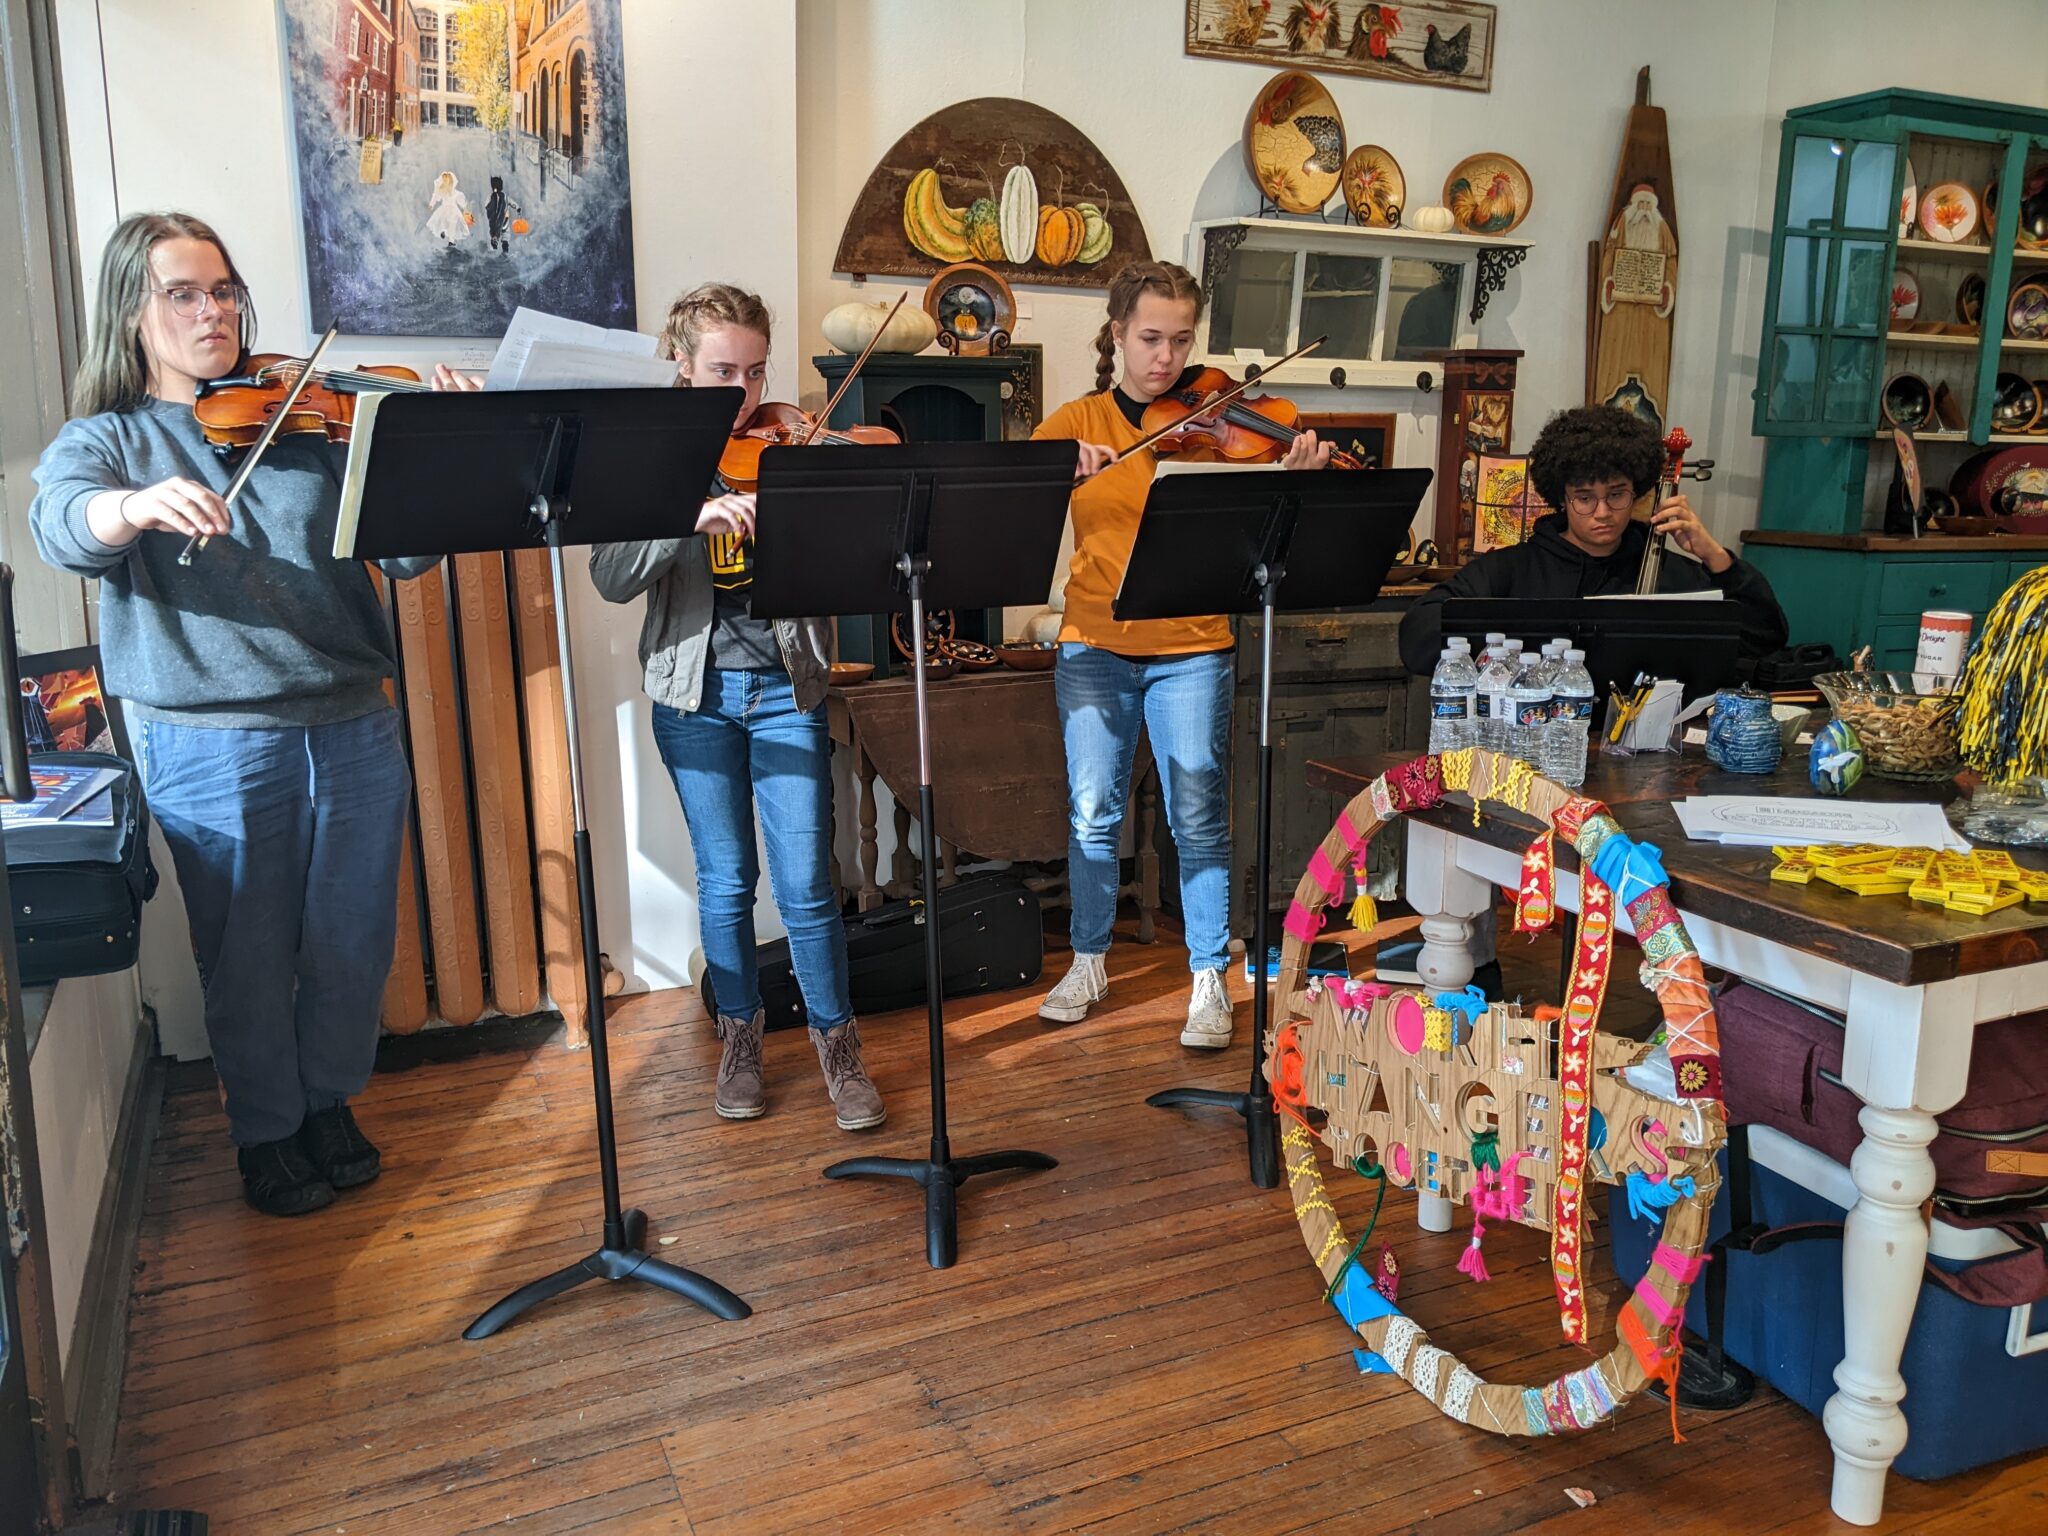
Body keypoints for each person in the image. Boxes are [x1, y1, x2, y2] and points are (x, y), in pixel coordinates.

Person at [28, 211, 458, 1217]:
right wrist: (130, 507)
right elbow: (63, 523)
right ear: (133, 312)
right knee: (248, 949)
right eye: (183, 293)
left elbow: (405, 556)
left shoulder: (309, 420)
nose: (213, 310)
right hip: (207, 736)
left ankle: (328, 1102)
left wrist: (433, 455)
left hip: (352, 716)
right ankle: (266, 1129)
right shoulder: (110, 440)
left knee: (353, 939)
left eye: (222, 290)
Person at [586, 283, 885, 1132]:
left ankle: (839, 1047)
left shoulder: (787, 443)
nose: (745, 395)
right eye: (724, 371)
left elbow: (852, 560)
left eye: (756, 372)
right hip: (695, 696)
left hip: (788, 687)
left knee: (807, 886)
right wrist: (688, 515)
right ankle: (740, 1042)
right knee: (724, 883)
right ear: (680, 365)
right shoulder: (649, 454)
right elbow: (610, 577)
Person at [1032, 260, 1331, 1049]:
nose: (1165, 358)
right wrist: (1047, 474)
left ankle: (1208, 977)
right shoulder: (1074, 421)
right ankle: (1088, 960)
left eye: (1181, 340)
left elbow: (1275, 530)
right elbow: (1011, 502)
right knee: (1094, 812)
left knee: (1197, 814)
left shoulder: (1225, 429)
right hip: (1093, 641)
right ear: (1118, 335)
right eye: (1150, 338)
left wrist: (1295, 477)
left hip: (1194, 645)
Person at [1399, 404, 1787, 675]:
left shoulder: (1671, 574)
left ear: (1637, 492)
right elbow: (1418, 638)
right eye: (1585, 498)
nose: (1602, 512)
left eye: (1617, 494)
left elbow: (1764, 638)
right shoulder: (1511, 568)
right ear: (1561, 498)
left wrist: (1716, 557)